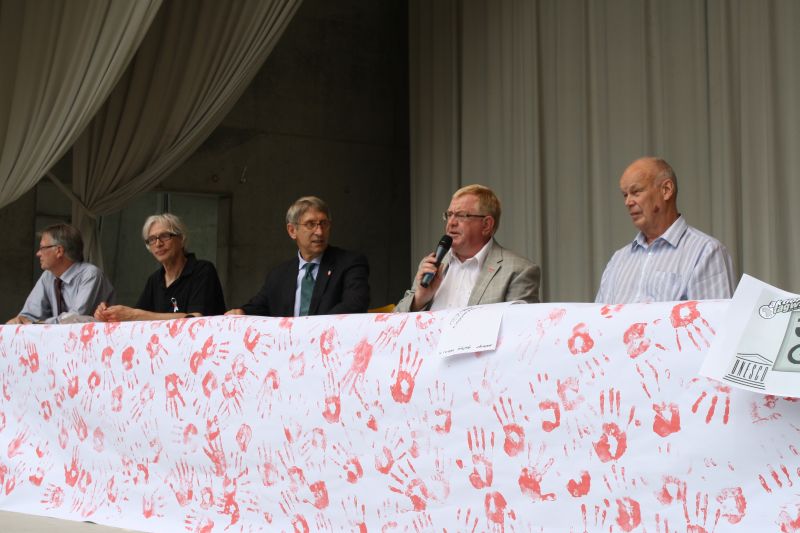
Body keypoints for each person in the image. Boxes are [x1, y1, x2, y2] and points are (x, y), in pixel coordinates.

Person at [595, 156, 735, 304]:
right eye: (625, 195)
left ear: (666, 190)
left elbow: (713, 323)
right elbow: (597, 321)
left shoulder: (705, 252)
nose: (628, 202)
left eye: (636, 192)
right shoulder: (618, 260)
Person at [396, 184, 540, 312]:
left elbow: (519, 332)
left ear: (486, 225)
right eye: (449, 215)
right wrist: (419, 300)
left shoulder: (518, 270)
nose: (451, 223)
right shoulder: (432, 265)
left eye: (461, 215)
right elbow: (393, 324)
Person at [226, 196, 370, 317]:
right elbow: (260, 306)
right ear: (292, 230)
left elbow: (355, 304)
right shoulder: (279, 274)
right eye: (310, 224)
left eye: (323, 224)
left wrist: (312, 331)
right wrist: (242, 312)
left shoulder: (349, 263)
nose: (319, 232)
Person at [94, 213, 225, 321]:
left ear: (182, 239)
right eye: (152, 239)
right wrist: (108, 314)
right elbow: (136, 317)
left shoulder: (202, 270)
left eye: (165, 236)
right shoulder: (155, 280)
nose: (158, 243)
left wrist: (133, 314)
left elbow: (195, 319)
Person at [7, 223, 114, 324]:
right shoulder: (48, 276)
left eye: (42, 248)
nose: (38, 253)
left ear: (59, 251)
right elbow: (29, 315)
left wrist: (37, 324)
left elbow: (75, 319)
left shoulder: (90, 275)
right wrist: (19, 320)